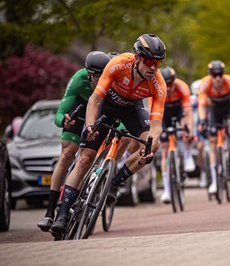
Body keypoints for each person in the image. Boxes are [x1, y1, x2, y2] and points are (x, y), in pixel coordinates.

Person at [51, 34, 167, 236]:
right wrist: (89, 126)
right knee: (85, 158)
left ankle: (113, 183)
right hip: (107, 106)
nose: (153, 67)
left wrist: (150, 144)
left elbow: (156, 125)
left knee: (151, 145)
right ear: (137, 57)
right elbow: (94, 100)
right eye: (149, 62)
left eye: (158, 63)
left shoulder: (158, 84)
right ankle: (61, 215)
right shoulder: (117, 64)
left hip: (132, 110)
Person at [37, 50, 110, 232]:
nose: (100, 82)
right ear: (88, 74)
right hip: (80, 109)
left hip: (100, 112)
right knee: (67, 154)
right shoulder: (79, 79)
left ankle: (85, 194)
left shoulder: (111, 81)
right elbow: (59, 114)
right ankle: (49, 213)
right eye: (96, 78)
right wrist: (64, 120)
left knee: (87, 158)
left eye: (104, 77)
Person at [197, 60, 230, 194]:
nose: (217, 78)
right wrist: (203, 120)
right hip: (215, 110)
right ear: (210, 75)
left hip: (228, 107)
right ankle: (215, 182)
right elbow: (201, 106)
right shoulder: (204, 84)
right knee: (213, 142)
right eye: (214, 75)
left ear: (223, 74)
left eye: (220, 74)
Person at [157, 66, 195, 204]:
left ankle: (188, 156)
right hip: (163, 113)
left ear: (175, 81)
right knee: (165, 147)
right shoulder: (155, 87)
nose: (168, 88)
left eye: (170, 84)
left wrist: (189, 130)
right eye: (165, 84)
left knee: (186, 130)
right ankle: (167, 190)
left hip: (178, 110)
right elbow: (152, 114)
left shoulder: (182, 87)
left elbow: (188, 113)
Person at [190, 79, 208, 188]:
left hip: (208, 123)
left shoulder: (208, 97)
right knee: (200, 148)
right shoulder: (192, 100)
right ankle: (203, 172)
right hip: (198, 126)